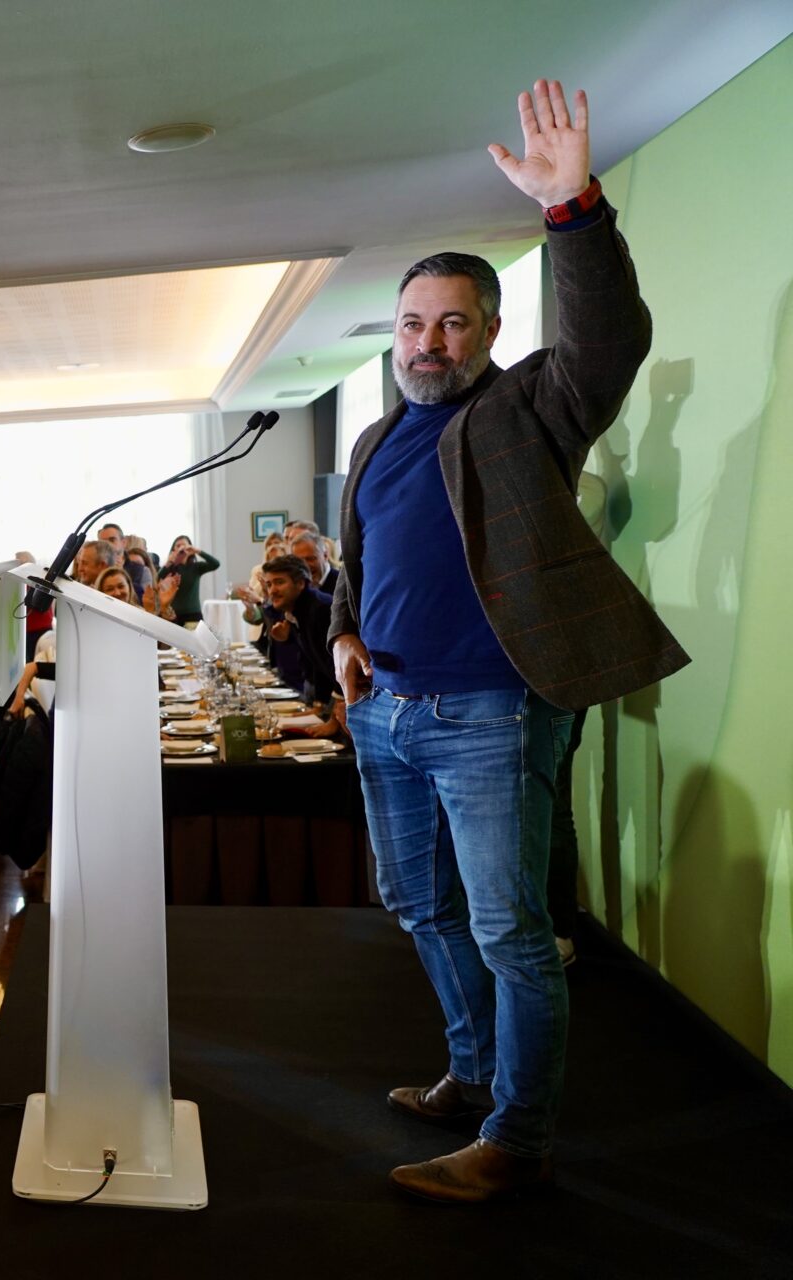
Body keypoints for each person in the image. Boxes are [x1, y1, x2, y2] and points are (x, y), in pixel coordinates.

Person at [332, 81, 686, 1204]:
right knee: (421, 906)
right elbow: (364, 560)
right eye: (411, 322)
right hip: (386, 712)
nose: (427, 341)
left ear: (490, 331)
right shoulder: (382, 436)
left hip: (490, 710)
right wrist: (346, 635)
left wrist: (572, 207)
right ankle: (471, 1070)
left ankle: (517, 1135)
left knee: (510, 931)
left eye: (451, 322)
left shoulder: (528, 409)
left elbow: (609, 341)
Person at [254, 556, 337, 702]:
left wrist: (328, 710)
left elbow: (337, 668)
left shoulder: (320, 610)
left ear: (300, 583)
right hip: (317, 693)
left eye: (279, 582)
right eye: (269, 584)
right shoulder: (296, 609)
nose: (272, 590)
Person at [163, 536, 221, 624]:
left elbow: (216, 564)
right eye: (178, 546)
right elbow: (157, 579)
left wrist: (198, 551)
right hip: (173, 614)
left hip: (193, 614)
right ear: (173, 550)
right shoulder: (170, 568)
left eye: (184, 545)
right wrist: (169, 562)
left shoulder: (196, 567)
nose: (181, 548)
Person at [291, 531, 341, 596]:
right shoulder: (295, 587)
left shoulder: (342, 584)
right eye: (299, 561)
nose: (305, 565)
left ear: (325, 556)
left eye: (310, 559)